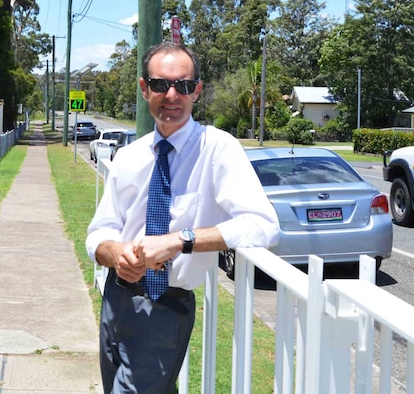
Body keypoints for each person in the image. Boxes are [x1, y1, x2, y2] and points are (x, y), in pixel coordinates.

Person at [86, 42, 279, 394]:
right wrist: (114, 253)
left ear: (197, 92)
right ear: (145, 89)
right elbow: (100, 230)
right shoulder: (129, 157)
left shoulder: (218, 149)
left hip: (164, 307)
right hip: (115, 298)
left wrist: (180, 240)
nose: (172, 94)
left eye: (184, 86)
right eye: (161, 84)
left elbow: (263, 224)